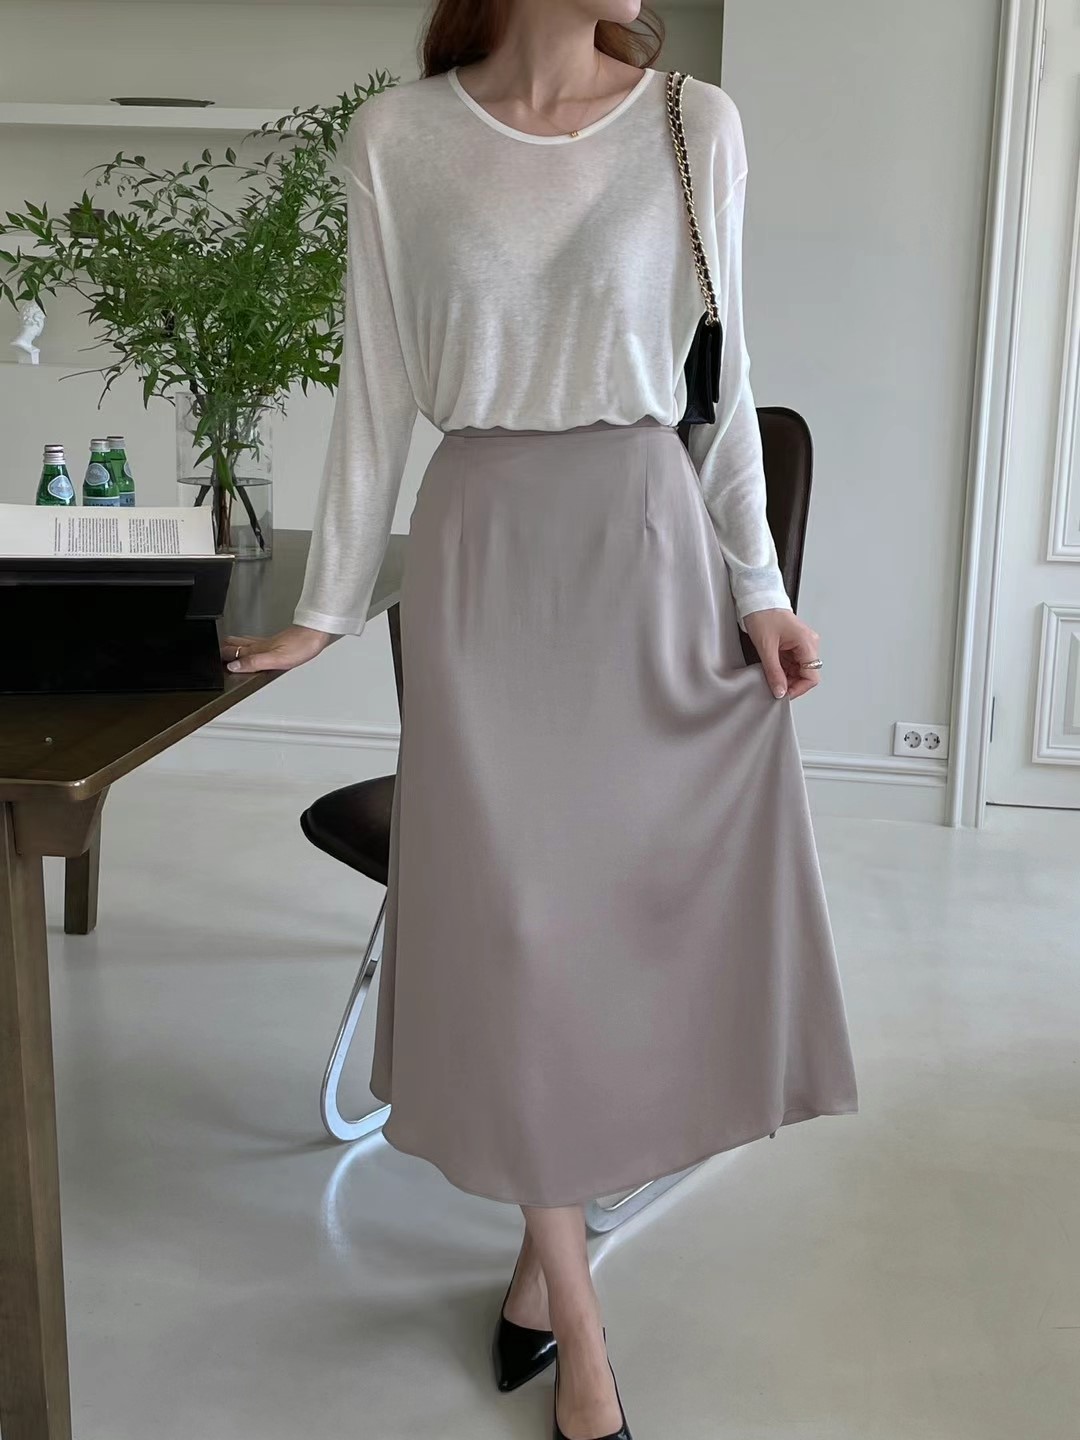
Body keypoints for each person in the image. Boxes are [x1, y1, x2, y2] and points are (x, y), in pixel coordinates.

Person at [224, 3, 859, 1437]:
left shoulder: (694, 125)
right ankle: (581, 1328)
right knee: (516, 931)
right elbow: (378, 390)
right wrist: (329, 606)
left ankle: (535, 1270)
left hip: (645, 542)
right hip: (484, 555)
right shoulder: (401, 139)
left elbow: (725, 383)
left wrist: (760, 587)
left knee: (618, 927)